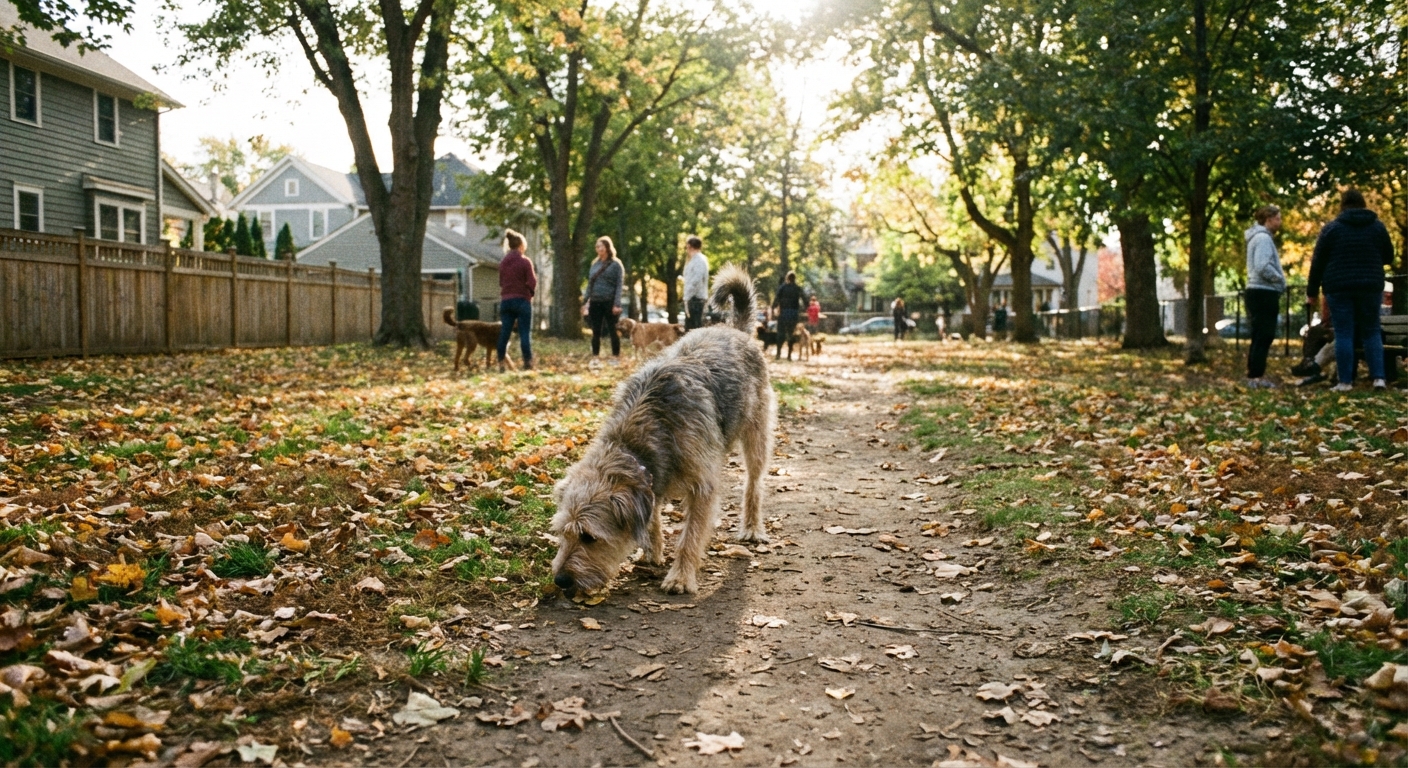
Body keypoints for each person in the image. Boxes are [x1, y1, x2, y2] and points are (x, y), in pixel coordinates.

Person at [1307, 188, 1396, 392]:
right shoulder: (1377, 228)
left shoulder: (1332, 229)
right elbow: (1389, 257)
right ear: (1363, 204)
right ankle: (1379, 379)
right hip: (1370, 285)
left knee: (1344, 332)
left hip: (1339, 287)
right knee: (1371, 330)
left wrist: (1312, 291)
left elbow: (1318, 262)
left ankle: (1345, 382)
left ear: (1342, 206)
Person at [1244, 204, 1286, 388]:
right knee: (1265, 334)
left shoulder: (1257, 238)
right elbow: (1262, 266)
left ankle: (1254, 375)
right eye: (1278, 218)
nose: (1280, 222)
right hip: (1264, 291)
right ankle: (1256, 377)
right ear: (1268, 219)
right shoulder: (1263, 239)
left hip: (1257, 291)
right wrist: (1279, 279)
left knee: (1259, 334)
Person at [496, 229, 536, 372]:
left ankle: (501, 363)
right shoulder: (525, 261)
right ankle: (527, 363)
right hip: (522, 301)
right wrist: (529, 295)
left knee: (505, 333)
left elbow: (501, 282)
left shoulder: (503, 263)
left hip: (506, 301)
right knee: (524, 333)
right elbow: (532, 282)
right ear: (521, 245)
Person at [584, 236, 625, 360]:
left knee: (613, 330)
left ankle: (615, 356)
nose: (599, 248)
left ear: (607, 247)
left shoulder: (616, 264)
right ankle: (595, 356)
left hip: (610, 301)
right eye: (597, 246)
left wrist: (616, 304)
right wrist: (585, 300)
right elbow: (590, 283)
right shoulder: (594, 264)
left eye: (601, 245)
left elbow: (619, 285)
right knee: (595, 331)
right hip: (596, 301)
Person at [772, 271, 803, 360]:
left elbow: (776, 299)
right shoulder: (797, 288)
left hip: (783, 314)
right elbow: (805, 299)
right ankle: (789, 355)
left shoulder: (782, 288)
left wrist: (773, 308)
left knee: (780, 333)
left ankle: (778, 354)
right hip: (793, 314)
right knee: (790, 334)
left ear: (787, 278)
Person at [682, 236, 709, 331]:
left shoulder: (699, 260)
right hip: (694, 299)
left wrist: (687, 296)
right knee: (691, 329)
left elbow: (696, 280)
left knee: (694, 329)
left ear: (689, 246)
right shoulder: (696, 260)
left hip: (696, 300)